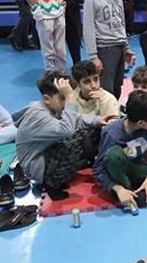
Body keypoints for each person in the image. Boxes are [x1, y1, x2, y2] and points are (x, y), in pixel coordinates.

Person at [15, 71, 107, 199]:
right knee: (79, 141)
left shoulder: (51, 107)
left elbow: (75, 118)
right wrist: (69, 96)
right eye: (63, 98)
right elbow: (67, 130)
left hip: (45, 154)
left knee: (91, 131)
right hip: (36, 166)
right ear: (46, 99)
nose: (67, 102)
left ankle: (64, 171)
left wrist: (99, 120)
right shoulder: (38, 115)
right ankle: (52, 184)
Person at [83, 0, 136, 99]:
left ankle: (114, 113)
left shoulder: (118, 0)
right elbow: (88, 29)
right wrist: (93, 56)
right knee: (107, 88)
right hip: (105, 49)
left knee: (118, 85)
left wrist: (127, 48)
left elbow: (121, 26)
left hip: (120, 47)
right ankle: (108, 117)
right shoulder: (92, 0)